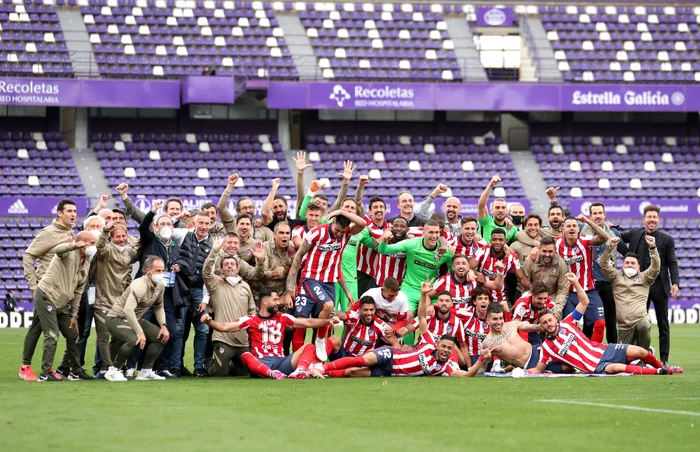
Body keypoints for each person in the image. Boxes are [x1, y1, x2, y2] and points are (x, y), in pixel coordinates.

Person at [322, 277, 489, 378]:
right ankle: (320, 368)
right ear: (437, 345)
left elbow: (467, 375)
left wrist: (481, 359)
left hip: (391, 372)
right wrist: (424, 295)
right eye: (444, 347)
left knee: (352, 373)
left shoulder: (444, 368)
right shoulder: (430, 342)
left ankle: (322, 373)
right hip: (391, 355)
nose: (445, 350)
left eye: (448, 349)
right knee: (361, 361)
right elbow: (421, 317)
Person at [530, 273, 681, 375]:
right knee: (619, 368)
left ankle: (662, 366)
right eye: (544, 323)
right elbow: (538, 369)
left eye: (550, 320)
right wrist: (519, 371)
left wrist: (575, 282)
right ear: (541, 327)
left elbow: (584, 301)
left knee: (641, 352)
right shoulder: (546, 348)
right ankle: (661, 372)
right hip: (594, 366)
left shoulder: (568, 322)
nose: (549, 324)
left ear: (555, 319)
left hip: (604, 350)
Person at [200, 289, 336, 379]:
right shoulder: (251, 319)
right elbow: (225, 327)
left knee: (309, 347)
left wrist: (327, 321)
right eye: (275, 300)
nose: (278, 303)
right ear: (265, 302)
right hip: (260, 362)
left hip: (281, 362)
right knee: (246, 355)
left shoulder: (283, 317)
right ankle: (271, 374)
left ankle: (299, 371)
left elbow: (307, 323)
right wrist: (210, 322)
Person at [286, 209, 366, 360]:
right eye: (336, 230)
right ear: (332, 222)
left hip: (330, 283)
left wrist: (342, 211)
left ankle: (314, 363)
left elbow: (362, 223)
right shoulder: (317, 233)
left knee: (324, 322)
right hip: (310, 279)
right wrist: (290, 283)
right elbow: (299, 255)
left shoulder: (347, 233)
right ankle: (298, 359)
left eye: (342, 232)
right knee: (304, 322)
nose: (338, 234)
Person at [20, 199, 81, 381]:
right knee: (38, 329)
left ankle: (31, 366)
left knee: (38, 327)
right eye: (69, 211)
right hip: (46, 290)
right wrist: (33, 283)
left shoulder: (70, 233)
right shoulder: (48, 233)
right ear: (59, 213)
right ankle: (25, 367)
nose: (73, 214)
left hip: (58, 292)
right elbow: (28, 255)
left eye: (75, 211)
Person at [25, 230, 95, 381]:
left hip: (62, 302)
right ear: (82, 244)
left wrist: (74, 314)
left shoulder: (87, 261)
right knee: (52, 334)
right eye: (91, 243)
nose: (94, 247)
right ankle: (45, 373)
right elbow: (58, 250)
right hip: (46, 296)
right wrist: (73, 245)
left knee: (73, 335)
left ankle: (75, 371)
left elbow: (79, 291)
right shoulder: (68, 252)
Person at [375, 220, 453, 346]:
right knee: (407, 318)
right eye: (431, 232)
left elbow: (453, 269)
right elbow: (384, 250)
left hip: (430, 292)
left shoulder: (445, 251)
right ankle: (405, 350)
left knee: (431, 318)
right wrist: (384, 241)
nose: (434, 235)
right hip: (409, 289)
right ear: (423, 233)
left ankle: (426, 349)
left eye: (437, 233)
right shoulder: (412, 244)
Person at [619, 204, 679, 365]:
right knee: (637, 323)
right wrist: (611, 228)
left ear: (658, 220)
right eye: (649, 217)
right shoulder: (635, 234)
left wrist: (675, 283)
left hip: (659, 286)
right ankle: (637, 357)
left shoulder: (667, 240)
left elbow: (672, 263)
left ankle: (664, 359)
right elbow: (618, 237)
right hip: (638, 287)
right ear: (644, 219)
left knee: (663, 325)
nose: (652, 220)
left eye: (654, 217)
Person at [104, 256, 170, 382]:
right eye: (158, 270)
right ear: (148, 271)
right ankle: (113, 370)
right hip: (116, 318)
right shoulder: (139, 285)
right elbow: (127, 310)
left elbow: (159, 306)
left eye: (162, 270)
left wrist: (163, 325)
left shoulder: (160, 285)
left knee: (161, 336)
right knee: (134, 339)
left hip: (134, 318)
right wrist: (139, 332)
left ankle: (145, 372)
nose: (161, 274)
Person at [91, 221, 140, 378]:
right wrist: (105, 231)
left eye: (123, 236)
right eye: (117, 236)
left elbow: (140, 246)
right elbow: (100, 246)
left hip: (119, 302)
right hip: (102, 300)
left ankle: (112, 367)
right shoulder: (106, 251)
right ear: (111, 238)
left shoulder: (129, 252)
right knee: (104, 336)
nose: (121, 239)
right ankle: (106, 369)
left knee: (119, 336)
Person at [203, 238, 257, 377]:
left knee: (246, 374)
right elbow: (206, 272)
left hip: (242, 339)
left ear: (237, 268)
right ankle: (208, 364)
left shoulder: (245, 286)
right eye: (226, 264)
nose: (229, 266)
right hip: (223, 338)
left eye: (232, 264)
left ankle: (231, 364)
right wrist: (214, 250)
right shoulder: (216, 285)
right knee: (221, 373)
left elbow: (252, 312)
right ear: (221, 269)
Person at [555, 215, 609, 342]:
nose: (572, 228)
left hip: (588, 291)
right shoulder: (556, 243)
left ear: (578, 229)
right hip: (568, 293)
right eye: (568, 226)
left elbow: (605, 237)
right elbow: (541, 245)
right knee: (569, 328)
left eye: (574, 226)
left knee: (600, 323)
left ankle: (595, 355)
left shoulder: (585, 240)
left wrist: (587, 221)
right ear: (563, 229)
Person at [601, 236, 660, 350]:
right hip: (623, 326)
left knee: (644, 325)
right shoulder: (616, 277)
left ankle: (644, 356)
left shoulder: (645, 277)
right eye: (627, 262)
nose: (629, 265)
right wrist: (609, 248)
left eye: (633, 263)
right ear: (623, 265)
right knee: (624, 361)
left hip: (640, 320)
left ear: (638, 267)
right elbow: (603, 264)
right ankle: (647, 351)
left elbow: (655, 267)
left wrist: (653, 247)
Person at [395, 290, 469, 367]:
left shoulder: (457, 321)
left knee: (460, 358)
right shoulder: (427, 316)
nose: (444, 303)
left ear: (451, 304)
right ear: (437, 303)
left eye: (447, 301)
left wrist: (469, 367)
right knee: (405, 348)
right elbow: (408, 328)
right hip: (422, 350)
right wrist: (399, 332)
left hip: (443, 354)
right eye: (441, 300)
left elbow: (463, 346)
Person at [587, 202, 626, 344]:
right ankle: (586, 354)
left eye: (599, 213)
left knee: (611, 321)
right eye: (594, 213)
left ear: (604, 215)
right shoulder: (583, 233)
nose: (597, 216)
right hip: (590, 284)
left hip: (608, 283)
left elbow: (626, 253)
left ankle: (613, 351)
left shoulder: (613, 233)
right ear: (590, 216)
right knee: (589, 321)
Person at [480, 303, 560, 372]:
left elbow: (535, 327)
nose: (498, 322)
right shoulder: (487, 343)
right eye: (495, 319)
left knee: (562, 354)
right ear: (488, 320)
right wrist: (468, 372)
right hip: (530, 364)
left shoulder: (512, 324)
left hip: (537, 349)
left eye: (501, 318)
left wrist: (552, 326)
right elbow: (481, 366)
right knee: (564, 367)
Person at [327, 296, 401, 360]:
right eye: (365, 310)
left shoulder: (380, 325)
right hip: (344, 355)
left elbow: (396, 345)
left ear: (375, 310)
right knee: (334, 339)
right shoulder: (354, 316)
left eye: (371, 310)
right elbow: (341, 314)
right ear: (359, 310)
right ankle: (319, 365)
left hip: (364, 361)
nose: (369, 313)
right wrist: (336, 317)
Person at [470, 228, 530, 305]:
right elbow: (469, 268)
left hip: (500, 298)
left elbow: (521, 278)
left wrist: (532, 288)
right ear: (491, 241)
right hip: (481, 296)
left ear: (505, 241)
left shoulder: (512, 257)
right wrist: (478, 274)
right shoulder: (483, 251)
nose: (497, 242)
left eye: (500, 240)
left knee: (508, 314)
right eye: (494, 239)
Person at [427, 254, 500, 308]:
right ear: (453, 267)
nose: (461, 266)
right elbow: (427, 295)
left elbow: (496, 286)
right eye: (457, 264)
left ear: (468, 266)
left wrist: (501, 272)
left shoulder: (474, 279)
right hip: (450, 321)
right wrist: (429, 307)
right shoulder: (444, 280)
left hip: (469, 320)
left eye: (464, 263)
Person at [521, 236, 569, 317]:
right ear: (539, 250)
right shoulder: (530, 260)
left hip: (552, 296)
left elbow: (563, 290)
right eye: (544, 251)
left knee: (554, 321)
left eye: (550, 251)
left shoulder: (561, 263)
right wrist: (529, 303)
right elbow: (525, 284)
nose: (547, 254)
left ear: (555, 251)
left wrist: (557, 309)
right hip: (533, 296)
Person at [357, 196, 392, 295]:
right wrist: (384, 236)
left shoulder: (390, 227)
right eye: (375, 207)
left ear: (385, 211)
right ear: (370, 211)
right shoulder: (365, 223)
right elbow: (358, 203)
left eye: (381, 207)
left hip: (382, 275)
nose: (379, 209)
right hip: (363, 272)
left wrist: (379, 236)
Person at [455, 286, 494, 366]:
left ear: (489, 302)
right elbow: (447, 310)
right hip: (470, 357)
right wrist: (433, 307)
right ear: (474, 302)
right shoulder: (465, 314)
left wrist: (507, 311)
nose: (483, 301)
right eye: (480, 299)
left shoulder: (494, 317)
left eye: (486, 299)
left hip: (489, 357)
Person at [477, 175, 516, 243]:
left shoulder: (512, 228)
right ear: (491, 210)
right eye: (497, 207)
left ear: (507, 211)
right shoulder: (486, 222)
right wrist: (490, 185)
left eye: (503, 208)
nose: (500, 210)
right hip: (485, 253)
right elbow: (481, 206)